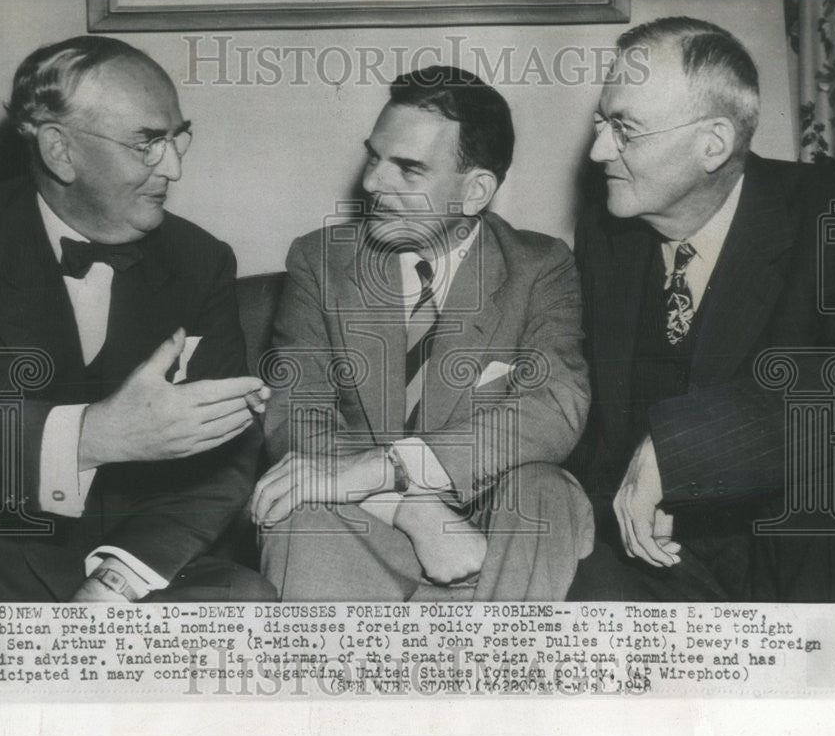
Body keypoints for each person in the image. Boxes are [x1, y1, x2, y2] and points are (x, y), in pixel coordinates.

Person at [0, 36, 275, 602]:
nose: (175, 166)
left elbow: (227, 455)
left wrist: (115, 581)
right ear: (59, 150)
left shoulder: (201, 260)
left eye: (176, 138)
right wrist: (90, 437)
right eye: (147, 143)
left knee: (246, 602)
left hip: (124, 562)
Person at [253, 66, 593, 601]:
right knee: (295, 511)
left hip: (495, 536)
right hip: (368, 526)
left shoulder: (539, 266)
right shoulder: (320, 262)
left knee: (546, 493)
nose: (372, 184)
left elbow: (556, 406)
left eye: (408, 169)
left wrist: (391, 467)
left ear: (475, 190)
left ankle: (502, 672)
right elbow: (297, 418)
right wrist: (409, 506)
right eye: (374, 156)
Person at [568, 17, 835, 602]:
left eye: (625, 130)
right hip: (652, 553)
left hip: (797, 551)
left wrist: (681, 448)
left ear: (713, 143)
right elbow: (595, 418)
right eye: (602, 122)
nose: (599, 150)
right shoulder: (607, 231)